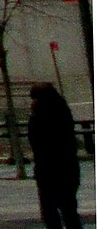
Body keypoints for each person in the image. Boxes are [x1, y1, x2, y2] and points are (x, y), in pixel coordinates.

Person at [28, 82, 82, 229]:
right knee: (69, 210)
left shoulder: (38, 116)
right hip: (68, 167)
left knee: (50, 211)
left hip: (48, 169)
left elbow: (35, 141)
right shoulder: (63, 111)